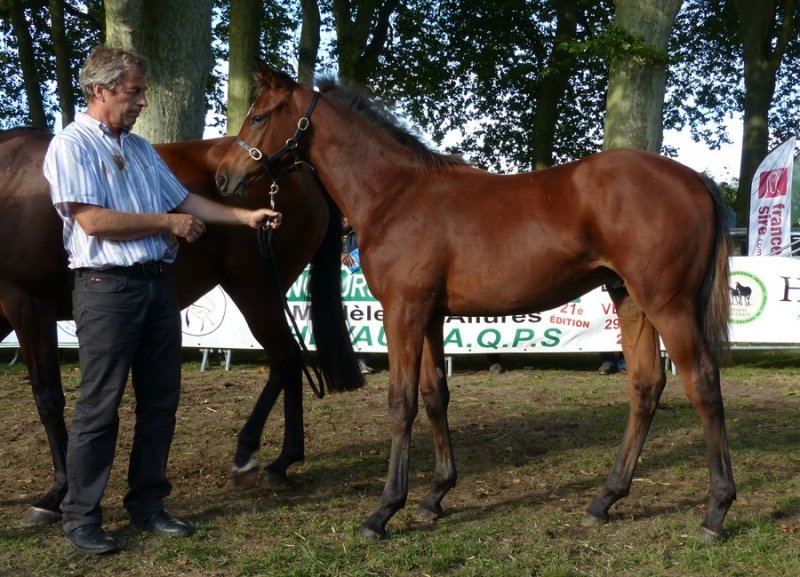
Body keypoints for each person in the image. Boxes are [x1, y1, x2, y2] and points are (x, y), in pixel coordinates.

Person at [43, 45, 283, 555]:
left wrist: (244, 217)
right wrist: (166, 224)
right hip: (106, 288)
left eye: (142, 92)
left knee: (160, 401)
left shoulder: (140, 149)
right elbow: (92, 220)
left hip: (156, 285)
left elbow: (184, 200)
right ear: (101, 90)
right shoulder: (70, 145)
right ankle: (82, 516)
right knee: (99, 406)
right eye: (133, 92)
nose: (142, 102)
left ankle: (148, 502)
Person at [340, 216, 372, 374]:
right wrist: (338, 255)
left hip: (360, 293)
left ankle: (361, 360)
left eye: (345, 215)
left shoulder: (362, 233)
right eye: (339, 216)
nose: (343, 219)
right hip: (339, 290)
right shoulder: (326, 233)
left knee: (361, 323)